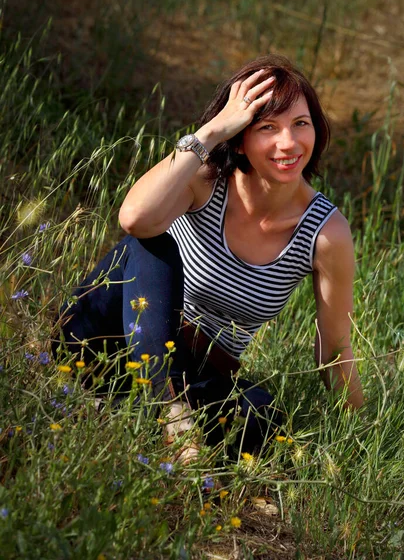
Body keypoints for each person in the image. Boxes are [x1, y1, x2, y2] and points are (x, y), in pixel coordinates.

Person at [52, 55, 364, 464]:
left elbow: (334, 350)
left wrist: (358, 435)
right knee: (151, 241)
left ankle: (140, 413)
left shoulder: (326, 232)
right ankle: (171, 416)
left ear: (317, 130)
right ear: (239, 138)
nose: (288, 143)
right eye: (267, 127)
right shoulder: (203, 180)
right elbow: (134, 218)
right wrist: (212, 132)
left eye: (300, 124)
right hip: (103, 341)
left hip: (197, 373)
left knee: (263, 418)